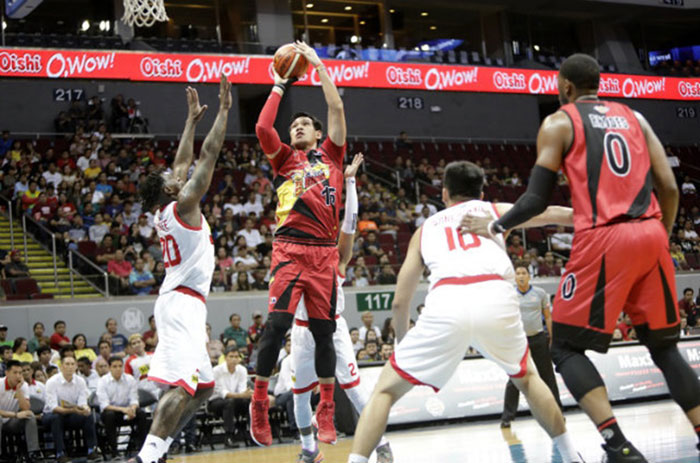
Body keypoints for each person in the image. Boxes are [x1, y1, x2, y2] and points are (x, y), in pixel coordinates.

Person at [460, 54, 698, 463]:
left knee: (566, 348)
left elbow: (536, 199)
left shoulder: (559, 121)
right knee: (665, 347)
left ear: (566, 87)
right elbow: (670, 187)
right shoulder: (636, 119)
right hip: (654, 233)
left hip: (604, 236)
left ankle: (618, 446)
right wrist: (662, 232)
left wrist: (497, 227)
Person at [348, 161, 581, 463]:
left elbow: (399, 301)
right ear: (482, 192)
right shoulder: (493, 210)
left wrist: (403, 343)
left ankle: (356, 461)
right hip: (496, 293)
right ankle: (572, 457)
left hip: (447, 300)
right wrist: (596, 216)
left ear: (443, 193)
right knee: (528, 378)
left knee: (384, 391)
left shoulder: (424, 230)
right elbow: (550, 213)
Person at [128, 77, 231, 463]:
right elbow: (208, 155)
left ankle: (161, 448)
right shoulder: (186, 203)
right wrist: (221, 113)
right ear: (172, 190)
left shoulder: (168, 207)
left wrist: (189, 120)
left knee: (204, 388)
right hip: (182, 303)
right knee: (185, 385)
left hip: (184, 302)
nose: (178, 174)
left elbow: (182, 162)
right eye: (174, 179)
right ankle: (147, 457)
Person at [250, 40, 347, 447]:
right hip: (289, 249)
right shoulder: (285, 160)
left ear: (320, 133)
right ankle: (258, 403)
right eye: (295, 126)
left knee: (325, 334)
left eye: (305, 124)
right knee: (276, 327)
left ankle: (327, 409)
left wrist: (317, 64)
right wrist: (279, 84)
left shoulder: (333, 157)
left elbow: (337, 107)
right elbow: (262, 129)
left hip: (325, 253)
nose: (298, 127)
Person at [291, 154, 393, 462]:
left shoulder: (336, 258)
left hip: (333, 331)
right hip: (302, 334)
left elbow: (349, 222)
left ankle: (382, 445)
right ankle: (309, 449)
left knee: (355, 391)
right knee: (299, 399)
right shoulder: (292, 256)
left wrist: (349, 180)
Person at [500, 264, 562, 428]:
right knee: (514, 378)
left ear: (529, 276)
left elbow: (547, 317)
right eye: (518, 273)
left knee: (547, 376)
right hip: (519, 341)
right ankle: (507, 417)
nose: (520, 275)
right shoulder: (509, 295)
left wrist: (552, 337)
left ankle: (558, 412)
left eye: (523, 273)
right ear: (515, 277)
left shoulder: (540, 293)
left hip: (538, 338)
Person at [43, 355, 99, 462]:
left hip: (72, 413)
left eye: (72, 364)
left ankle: (92, 449)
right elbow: (54, 408)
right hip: (50, 415)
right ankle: (60, 453)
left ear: (76, 367)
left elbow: (82, 402)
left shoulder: (80, 381)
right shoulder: (52, 382)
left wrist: (85, 408)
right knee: (56, 417)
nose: (70, 367)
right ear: (61, 366)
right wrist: (74, 410)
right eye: (67, 364)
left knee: (88, 416)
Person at [97, 357, 148, 459]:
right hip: (112, 412)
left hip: (128, 411)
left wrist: (132, 409)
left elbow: (134, 400)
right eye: (115, 366)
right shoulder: (103, 381)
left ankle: (142, 448)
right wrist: (123, 410)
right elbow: (104, 405)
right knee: (109, 415)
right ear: (109, 368)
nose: (118, 369)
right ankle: (114, 450)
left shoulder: (130, 379)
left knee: (141, 414)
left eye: (120, 366)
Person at [208, 347, 254, 448]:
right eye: (231, 356)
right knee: (228, 403)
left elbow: (242, 390)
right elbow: (222, 393)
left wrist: (246, 395)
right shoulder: (217, 370)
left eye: (236, 357)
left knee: (250, 403)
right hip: (216, 402)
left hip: (235, 399)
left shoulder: (242, 370)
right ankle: (229, 437)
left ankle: (252, 434)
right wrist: (242, 395)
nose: (234, 359)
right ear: (225, 358)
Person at [0, 360, 42, 463]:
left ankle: (33, 453)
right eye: (15, 373)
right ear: (7, 373)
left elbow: (25, 408)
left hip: (12, 422)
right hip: (3, 418)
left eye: (20, 373)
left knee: (30, 415)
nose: (18, 376)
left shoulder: (23, 386)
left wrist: (19, 390)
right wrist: (15, 415)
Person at [125, 334, 161, 406]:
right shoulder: (129, 361)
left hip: (159, 390)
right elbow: (128, 380)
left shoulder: (154, 356)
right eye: (134, 343)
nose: (137, 345)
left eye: (139, 342)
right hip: (144, 395)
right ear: (131, 348)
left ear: (144, 344)